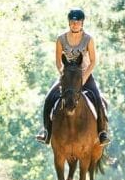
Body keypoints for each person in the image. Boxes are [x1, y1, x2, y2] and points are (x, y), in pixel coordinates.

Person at [36, 8, 109, 145]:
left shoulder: (88, 39)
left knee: (98, 98)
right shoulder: (61, 39)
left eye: (78, 22)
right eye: (73, 22)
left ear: (82, 23)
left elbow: (93, 61)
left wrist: (84, 77)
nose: (75, 24)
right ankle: (46, 132)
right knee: (48, 98)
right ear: (69, 23)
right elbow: (58, 61)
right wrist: (62, 74)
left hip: (84, 75)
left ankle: (102, 132)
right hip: (67, 77)